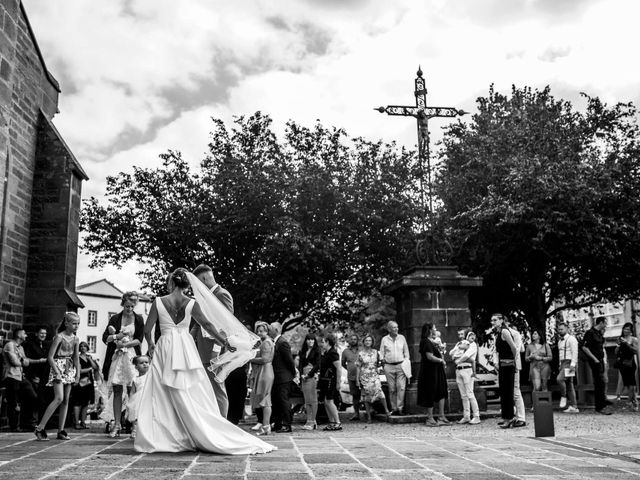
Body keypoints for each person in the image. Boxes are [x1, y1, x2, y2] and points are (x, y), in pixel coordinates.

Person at [134, 268, 274, 454]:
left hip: (165, 346)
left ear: (171, 283)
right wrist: (224, 341)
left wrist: (151, 344)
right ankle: (194, 428)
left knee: (161, 389)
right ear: (187, 284)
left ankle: (165, 432)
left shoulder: (158, 302)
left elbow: (147, 329)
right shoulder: (192, 303)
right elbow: (208, 324)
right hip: (185, 346)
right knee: (190, 388)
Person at [190, 264, 233, 417]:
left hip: (217, 351)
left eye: (197, 282)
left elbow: (226, 324)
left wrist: (216, 349)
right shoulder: (204, 297)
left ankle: (223, 426)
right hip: (202, 350)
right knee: (208, 390)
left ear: (204, 278)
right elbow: (198, 322)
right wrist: (186, 340)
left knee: (218, 390)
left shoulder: (222, 294)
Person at [102, 291, 144, 436]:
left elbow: (139, 339)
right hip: (117, 357)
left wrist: (125, 345)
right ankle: (117, 424)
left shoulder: (139, 319)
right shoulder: (115, 318)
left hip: (132, 356)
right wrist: (116, 337)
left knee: (134, 389)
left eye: (132, 306)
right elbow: (105, 337)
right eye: (127, 306)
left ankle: (134, 425)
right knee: (117, 390)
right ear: (123, 303)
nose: (130, 309)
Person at [34, 312, 81, 441]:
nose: (76, 326)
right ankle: (40, 428)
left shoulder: (76, 339)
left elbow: (76, 357)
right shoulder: (59, 337)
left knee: (66, 399)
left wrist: (78, 373)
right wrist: (57, 372)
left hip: (69, 367)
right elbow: (50, 357)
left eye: (78, 324)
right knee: (59, 398)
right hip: (57, 366)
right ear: (66, 323)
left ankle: (61, 431)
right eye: (74, 323)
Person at [2, 328, 43, 432]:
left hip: (20, 377)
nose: (26, 335)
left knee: (33, 397)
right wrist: (23, 361)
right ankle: (14, 427)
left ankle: (28, 423)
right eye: (24, 333)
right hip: (11, 376)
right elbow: (15, 362)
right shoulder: (9, 345)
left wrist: (36, 361)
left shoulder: (20, 347)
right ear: (19, 334)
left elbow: (26, 360)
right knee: (13, 403)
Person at [491, 313, 526, 428]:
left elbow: (516, 348)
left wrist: (514, 363)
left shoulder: (509, 332)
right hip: (503, 364)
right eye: (492, 320)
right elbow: (496, 350)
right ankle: (508, 417)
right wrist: (496, 362)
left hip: (510, 364)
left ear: (502, 320)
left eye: (495, 320)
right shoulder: (498, 333)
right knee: (506, 392)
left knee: (513, 391)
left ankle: (518, 417)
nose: (493, 322)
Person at [417, 323, 450, 427]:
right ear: (430, 330)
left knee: (441, 391)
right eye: (435, 328)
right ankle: (430, 418)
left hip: (437, 370)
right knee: (430, 392)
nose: (436, 329)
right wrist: (441, 360)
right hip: (429, 372)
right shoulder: (425, 341)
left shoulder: (433, 341)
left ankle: (441, 416)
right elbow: (429, 357)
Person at [356, 334, 390, 423]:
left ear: (372, 342)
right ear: (364, 342)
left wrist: (381, 369)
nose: (368, 342)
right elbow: (358, 367)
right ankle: (369, 417)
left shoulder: (376, 352)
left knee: (380, 392)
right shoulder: (361, 353)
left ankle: (386, 410)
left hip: (374, 375)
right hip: (364, 376)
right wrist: (357, 379)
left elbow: (382, 362)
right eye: (366, 340)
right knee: (366, 397)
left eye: (369, 340)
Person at [269, 322, 296, 433]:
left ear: (276, 330)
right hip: (277, 377)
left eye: (270, 329)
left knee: (283, 401)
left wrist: (293, 373)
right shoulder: (275, 342)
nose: (268, 330)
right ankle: (278, 424)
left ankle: (287, 424)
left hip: (284, 378)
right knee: (277, 402)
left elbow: (289, 361)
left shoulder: (282, 343)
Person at [450, 329, 481, 424]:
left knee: (470, 393)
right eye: (459, 334)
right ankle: (466, 416)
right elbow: (451, 354)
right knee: (463, 395)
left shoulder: (472, 345)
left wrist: (458, 359)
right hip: (458, 370)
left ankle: (476, 416)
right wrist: (459, 351)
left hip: (467, 369)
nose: (460, 336)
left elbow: (467, 356)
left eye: (462, 334)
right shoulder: (459, 344)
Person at [582, 316, 612, 415]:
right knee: (599, 382)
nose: (606, 325)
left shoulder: (599, 333)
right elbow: (585, 348)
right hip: (595, 361)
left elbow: (601, 346)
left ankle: (602, 403)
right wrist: (594, 359)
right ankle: (600, 407)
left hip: (600, 360)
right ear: (601, 322)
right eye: (605, 323)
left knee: (602, 382)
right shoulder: (590, 333)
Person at [249, 321, 275, 436]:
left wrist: (249, 358)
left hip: (265, 371)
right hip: (264, 370)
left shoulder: (266, 343)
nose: (259, 333)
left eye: (262, 331)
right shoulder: (266, 342)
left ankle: (266, 426)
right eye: (258, 331)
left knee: (266, 400)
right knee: (265, 399)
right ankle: (265, 426)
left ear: (267, 331)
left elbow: (265, 359)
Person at [380, 321, 410, 416]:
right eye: (394, 327)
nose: (396, 329)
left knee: (401, 387)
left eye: (397, 327)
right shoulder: (384, 339)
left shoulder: (402, 338)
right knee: (392, 388)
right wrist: (383, 362)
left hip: (401, 365)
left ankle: (400, 408)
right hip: (389, 366)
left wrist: (406, 361)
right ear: (389, 329)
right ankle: (394, 408)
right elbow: (381, 353)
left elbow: (406, 352)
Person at [71, 341, 101, 429]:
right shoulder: (77, 357)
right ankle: (76, 422)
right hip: (79, 382)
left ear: (87, 348)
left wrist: (90, 360)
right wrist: (89, 369)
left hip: (88, 383)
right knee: (77, 403)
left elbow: (96, 368)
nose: (83, 348)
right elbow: (79, 371)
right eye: (81, 346)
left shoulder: (89, 357)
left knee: (85, 404)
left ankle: (83, 422)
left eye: (84, 346)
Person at [23, 327, 50, 418]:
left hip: (44, 375)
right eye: (41, 333)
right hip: (33, 374)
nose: (43, 335)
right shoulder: (30, 344)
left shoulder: (45, 345)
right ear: (36, 334)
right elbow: (26, 360)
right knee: (35, 398)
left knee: (43, 398)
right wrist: (40, 360)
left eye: (45, 334)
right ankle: (32, 420)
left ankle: (39, 421)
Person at [318, 333, 342, 431]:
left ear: (328, 342)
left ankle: (337, 422)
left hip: (330, 380)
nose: (321, 344)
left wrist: (338, 382)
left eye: (323, 342)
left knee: (329, 401)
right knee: (326, 401)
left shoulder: (333, 353)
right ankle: (331, 421)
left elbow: (338, 368)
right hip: (325, 380)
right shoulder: (326, 353)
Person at [298, 332, 320, 430]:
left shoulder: (317, 350)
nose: (310, 341)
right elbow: (300, 364)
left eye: (312, 339)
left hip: (311, 376)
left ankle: (313, 421)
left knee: (313, 400)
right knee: (307, 400)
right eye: (308, 339)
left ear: (314, 341)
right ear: (306, 341)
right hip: (303, 376)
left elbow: (317, 364)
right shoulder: (303, 351)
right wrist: (301, 374)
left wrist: (309, 374)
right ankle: (309, 420)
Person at [615, 322, 638, 411]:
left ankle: (629, 402)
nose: (626, 330)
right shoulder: (620, 339)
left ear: (631, 330)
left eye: (628, 329)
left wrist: (627, 344)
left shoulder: (633, 339)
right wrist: (618, 345)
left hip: (630, 364)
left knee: (632, 383)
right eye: (625, 328)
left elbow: (635, 351)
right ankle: (635, 403)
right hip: (622, 364)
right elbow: (616, 352)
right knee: (627, 384)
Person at [556, 323, 579, 413]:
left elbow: (575, 352)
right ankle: (574, 406)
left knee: (559, 379)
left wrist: (573, 364)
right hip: (563, 363)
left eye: (562, 329)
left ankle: (563, 396)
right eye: (559, 329)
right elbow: (560, 355)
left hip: (569, 362)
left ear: (567, 329)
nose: (560, 331)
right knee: (569, 384)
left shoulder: (571, 339)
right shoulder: (559, 341)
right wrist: (559, 365)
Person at [126, 355, 150, 439]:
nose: (145, 364)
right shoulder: (135, 379)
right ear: (136, 366)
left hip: (148, 398)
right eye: (141, 363)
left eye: (146, 362)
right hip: (138, 400)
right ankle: (135, 430)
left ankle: (147, 431)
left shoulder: (150, 376)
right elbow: (132, 391)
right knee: (136, 415)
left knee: (147, 416)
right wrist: (131, 401)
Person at [341, 334, 361, 421]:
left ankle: (370, 412)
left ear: (357, 340)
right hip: (351, 376)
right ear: (349, 341)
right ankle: (356, 413)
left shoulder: (361, 350)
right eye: (352, 339)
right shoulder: (345, 352)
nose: (353, 341)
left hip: (363, 375)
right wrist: (349, 369)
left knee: (366, 394)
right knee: (355, 395)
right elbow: (342, 363)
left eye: (355, 339)